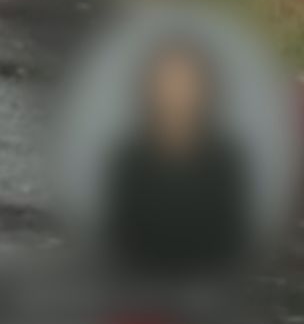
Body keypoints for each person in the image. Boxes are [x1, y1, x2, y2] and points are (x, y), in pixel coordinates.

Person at [99, 37, 252, 281]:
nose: (177, 94)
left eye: (186, 85)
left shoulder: (224, 159)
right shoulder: (132, 157)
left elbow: (231, 237)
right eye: (168, 84)